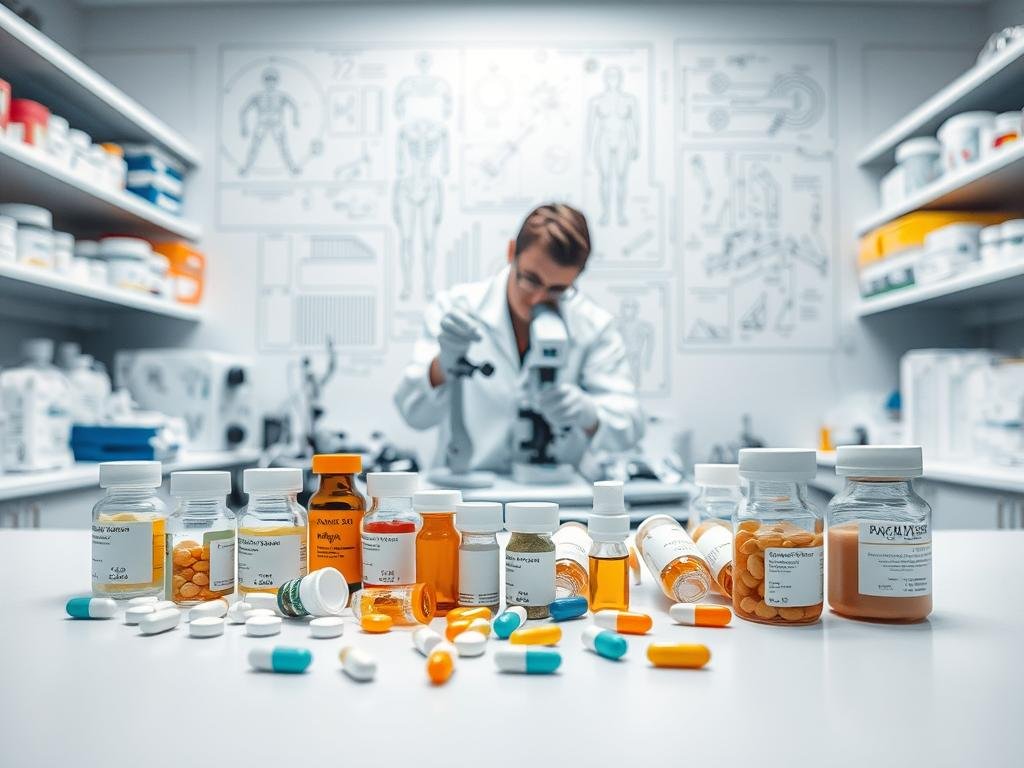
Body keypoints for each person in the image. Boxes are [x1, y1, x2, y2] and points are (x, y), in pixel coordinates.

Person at [394, 203, 644, 474]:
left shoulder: (593, 326)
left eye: (558, 289)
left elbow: (630, 424)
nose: (538, 298)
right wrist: (442, 366)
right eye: (531, 280)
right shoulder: (456, 308)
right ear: (512, 252)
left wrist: (590, 413)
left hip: (556, 499)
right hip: (470, 496)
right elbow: (413, 414)